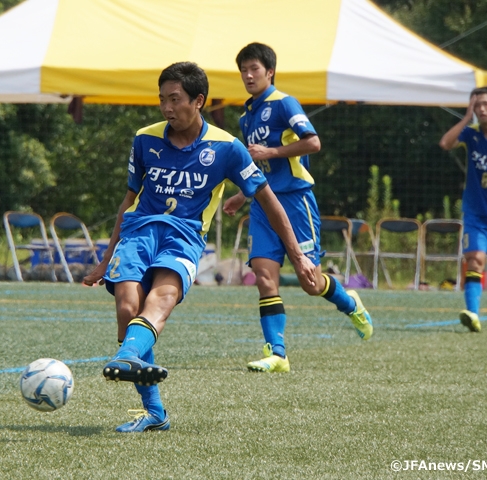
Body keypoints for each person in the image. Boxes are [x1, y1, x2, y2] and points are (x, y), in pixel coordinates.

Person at [83, 61, 317, 433]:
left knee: (160, 299)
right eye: (162, 99)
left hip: (185, 237)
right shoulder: (145, 139)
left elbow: (269, 200)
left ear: (199, 100)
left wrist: (299, 254)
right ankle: (155, 412)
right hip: (139, 232)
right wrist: (104, 260)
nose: (167, 108)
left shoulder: (227, 148)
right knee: (128, 308)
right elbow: (128, 200)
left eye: (174, 99)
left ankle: (127, 357)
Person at [223, 43, 373, 374]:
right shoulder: (245, 115)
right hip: (263, 205)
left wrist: (272, 152)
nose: (248, 75)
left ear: (269, 71)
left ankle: (350, 304)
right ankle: (277, 353)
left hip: (295, 199)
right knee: (263, 276)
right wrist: (240, 195)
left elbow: (313, 142)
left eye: (254, 69)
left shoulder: (284, 103)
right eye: (243, 70)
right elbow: (256, 166)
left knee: (310, 281)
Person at [439, 85, 487, 334]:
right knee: (475, 260)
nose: (481, 109)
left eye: (484, 104)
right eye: (476, 105)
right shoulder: (470, 134)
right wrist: (465, 116)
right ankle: (472, 313)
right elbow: (446, 143)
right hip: (475, 211)